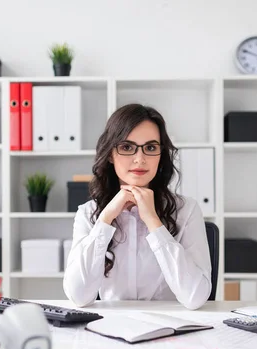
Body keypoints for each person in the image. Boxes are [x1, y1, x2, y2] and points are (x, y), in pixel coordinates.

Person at [63, 103, 212, 310]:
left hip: (171, 329)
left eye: (150, 148)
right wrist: (105, 219)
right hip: (111, 327)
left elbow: (195, 297)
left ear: (160, 157)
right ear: (110, 155)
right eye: (126, 147)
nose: (140, 159)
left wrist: (153, 222)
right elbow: (79, 296)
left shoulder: (187, 210)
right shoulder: (89, 213)